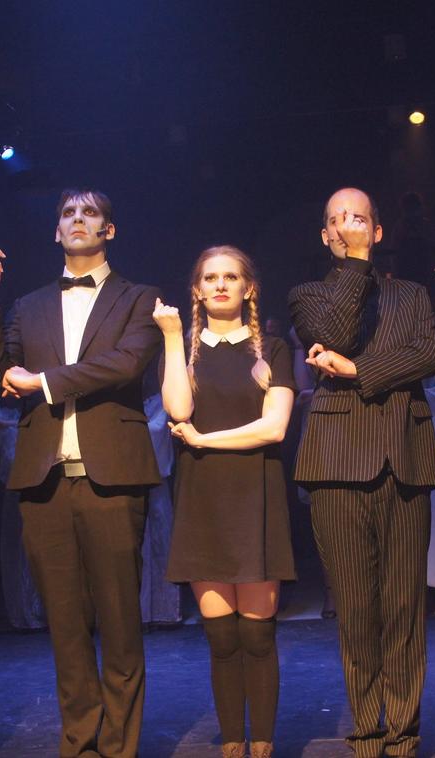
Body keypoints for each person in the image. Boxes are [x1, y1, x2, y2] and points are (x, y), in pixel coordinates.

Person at [0, 188, 162, 757]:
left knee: (120, 624)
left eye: (90, 212)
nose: (78, 219)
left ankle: (119, 748)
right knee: (65, 625)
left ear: (109, 230)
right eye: (68, 214)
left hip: (112, 477)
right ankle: (79, 744)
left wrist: (44, 382)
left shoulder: (139, 297)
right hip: (44, 481)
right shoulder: (27, 305)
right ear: (56, 232)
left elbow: (125, 363)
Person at [289, 187, 435, 757]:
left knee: (404, 605)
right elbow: (332, 333)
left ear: (378, 231)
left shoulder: (412, 294)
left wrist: (357, 370)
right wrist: (355, 266)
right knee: (356, 608)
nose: (347, 226)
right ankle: (366, 732)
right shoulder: (308, 295)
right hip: (337, 460)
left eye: (358, 218)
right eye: (336, 220)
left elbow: (427, 355)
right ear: (325, 236)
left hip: (405, 454)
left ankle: (403, 735)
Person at [154, 245, 297, 758]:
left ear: (248, 287)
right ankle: (232, 744)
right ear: (197, 290)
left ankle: (263, 744)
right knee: (221, 640)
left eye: (231, 277)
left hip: (256, 496)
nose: (220, 285)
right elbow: (178, 408)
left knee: (257, 638)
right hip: (203, 502)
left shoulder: (271, 350)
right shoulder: (184, 351)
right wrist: (172, 338)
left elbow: (274, 428)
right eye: (210, 278)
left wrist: (203, 440)